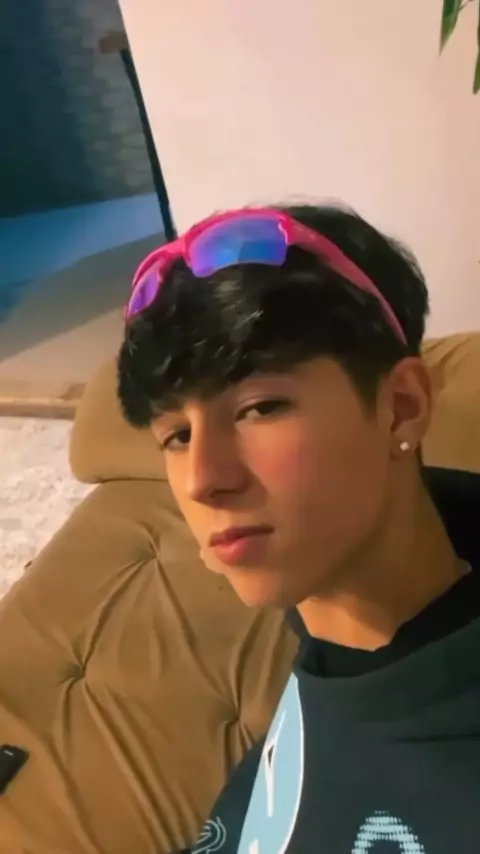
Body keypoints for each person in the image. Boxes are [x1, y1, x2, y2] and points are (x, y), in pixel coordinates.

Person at [117, 204, 480, 853]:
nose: (202, 479)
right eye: (176, 435)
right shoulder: (337, 622)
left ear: (402, 407)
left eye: (260, 407)